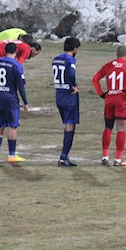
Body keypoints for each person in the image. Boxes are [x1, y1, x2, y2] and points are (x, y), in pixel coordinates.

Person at [92, 45, 126, 167]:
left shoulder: (108, 65)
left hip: (109, 99)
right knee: (120, 128)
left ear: (116, 54)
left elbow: (95, 79)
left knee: (108, 127)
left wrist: (101, 93)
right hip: (121, 100)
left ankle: (104, 156)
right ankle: (118, 159)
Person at [0, 42, 30, 164]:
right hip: (10, 99)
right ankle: (11, 155)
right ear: (16, 51)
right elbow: (21, 86)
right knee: (13, 125)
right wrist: (25, 103)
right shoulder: (16, 65)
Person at [0, 40, 41, 110]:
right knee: (8, 78)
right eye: (35, 54)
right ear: (33, 49)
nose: (33, 56)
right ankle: (8, 99)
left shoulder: (21, 44)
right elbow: (17, 65)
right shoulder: (27, 49)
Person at [52, 37, 81, 167]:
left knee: (67, 124)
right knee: (70, 125)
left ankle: (65, 156)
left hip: (59, 95)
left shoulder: (55, 59)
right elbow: (71, 73)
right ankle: (63, 157)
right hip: (69, 97)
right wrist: (74, 86)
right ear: (74, 48)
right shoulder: (71, 60)